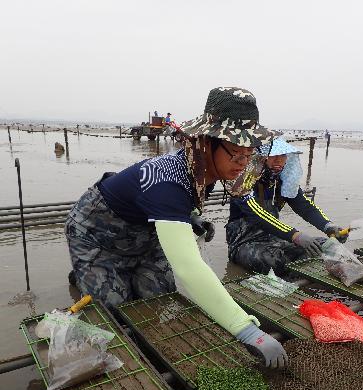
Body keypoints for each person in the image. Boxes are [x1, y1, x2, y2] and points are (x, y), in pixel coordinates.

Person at [65, 87, 287, 369]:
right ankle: (86, 272)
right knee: (114, 315)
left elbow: (187, 200)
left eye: (249, 155)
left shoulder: (205, 168)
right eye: (236, 155)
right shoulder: (166, 181)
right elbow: (189, 268)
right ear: (207, 143)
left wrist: (190, 217)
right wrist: (245, 329)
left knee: (157, 301)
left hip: (147, 235)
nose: (243, 165)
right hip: (97, 237)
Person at [226, 137, 347, 276]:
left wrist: (328, 226)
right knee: (271, 261)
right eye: (273, 155)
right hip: (244, 242)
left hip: (274, 238)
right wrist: (294, 235)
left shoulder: (283, 181)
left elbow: (304, 206)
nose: (279, 160)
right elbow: (257, 215)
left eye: (283, 155)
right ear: (262, 157)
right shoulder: (243, 182)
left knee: (325, 245)